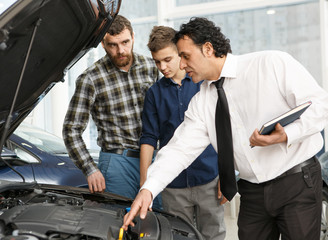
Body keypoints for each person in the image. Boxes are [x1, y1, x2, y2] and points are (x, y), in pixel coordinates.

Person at [122, 17, 328, 240]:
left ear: (208, 49)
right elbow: (179, 149)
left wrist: (287, 134)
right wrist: (149, 189)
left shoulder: (270, 63)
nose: (181, 65)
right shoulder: (202, 102)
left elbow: (320, 105)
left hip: (296, 182)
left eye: (185, 56)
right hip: (252, 192)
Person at [139, 25, 225, 240]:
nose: (162, 67)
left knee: (214, 234)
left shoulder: (204, 85)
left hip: (209, 178)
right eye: (157, 62)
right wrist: (145, 184)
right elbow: (149, 138)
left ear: (181, 54)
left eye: (167, 59)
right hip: (173, 186)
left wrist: (226, 174)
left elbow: (223, 131)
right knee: (178, 236)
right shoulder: (153, 93)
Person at [62, 15, 160, 200]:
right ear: (103, 44)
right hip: (117, 162)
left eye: (125, 42)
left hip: (154, 160)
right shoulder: (90, 78)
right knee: (118, 222)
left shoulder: (152, 67)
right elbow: (71, 130)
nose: (120, 50)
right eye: (112, 45)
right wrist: (90, 169)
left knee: (158, 221)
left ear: (133, 37)